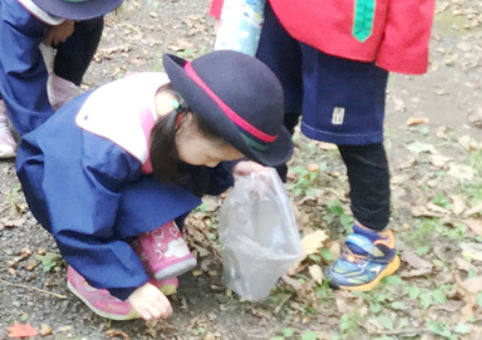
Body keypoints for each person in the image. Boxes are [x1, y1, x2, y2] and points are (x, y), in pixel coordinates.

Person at [15, 50, 293, 320]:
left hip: (120, 170)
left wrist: (235, 166)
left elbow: (207, 146)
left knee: (192, 165)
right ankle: (93, 273)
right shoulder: (108, 146)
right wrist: (131, 287)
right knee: (93, 214)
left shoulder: (181, 108)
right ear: (184, 124)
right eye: (213, 157)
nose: (212, 164)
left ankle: (141, 234)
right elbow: (79, 220)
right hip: (58, 181)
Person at [210, 0, 435, 291]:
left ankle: (374, 239)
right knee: (270, 114)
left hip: (350, 26)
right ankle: (262, 221)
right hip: (276, 16)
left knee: (355, 134)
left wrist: (403, 41)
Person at [0, 0, 123, 158]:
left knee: (89, 23)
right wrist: (45, 139)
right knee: (9, 48)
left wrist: (70, 17)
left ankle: (57, 106)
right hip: (15, 13)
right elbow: (19, 70)